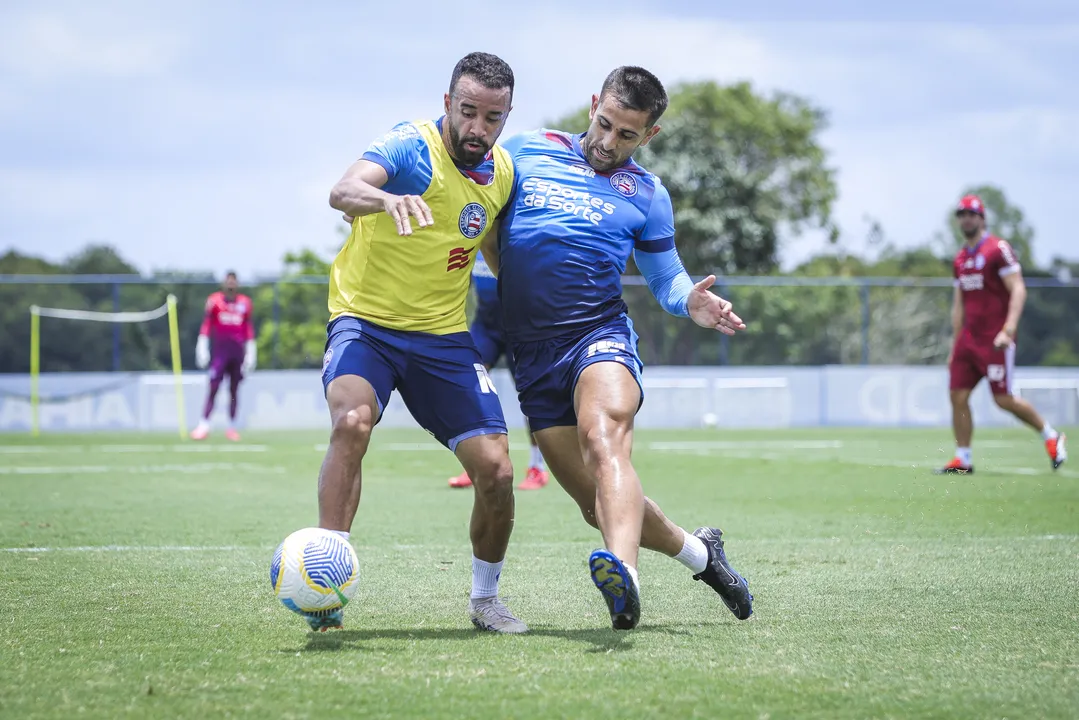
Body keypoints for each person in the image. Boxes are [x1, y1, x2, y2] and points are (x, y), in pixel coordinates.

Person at [485, 66, 754, 630]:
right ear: (592, 105)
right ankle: (702, 555)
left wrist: (690, 302)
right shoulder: (525, 152)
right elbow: (476, 210)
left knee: (603, 438)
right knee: (597, 505)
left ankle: (624, 580)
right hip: (531, 353)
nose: (609, 143)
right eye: (604, 124)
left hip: (598, 336)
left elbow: (667, 277)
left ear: (649, 135)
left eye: (626, 135)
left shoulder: (648, 194)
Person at [318, 52, 527, 634]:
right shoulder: (410, 147)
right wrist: (384, 201)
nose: (477, 129)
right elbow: (342, 190)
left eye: (492, 117)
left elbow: (489, 246)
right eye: (468, 113)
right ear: (447, 105)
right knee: (351, 424)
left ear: (506, 117)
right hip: (366, 323)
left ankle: (486, 598)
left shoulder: (503, 173)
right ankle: (325, 586)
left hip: (442, 339)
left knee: (498, 472)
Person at [937, 194, 1067, 474]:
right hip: (968, 340)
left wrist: (1008, 329)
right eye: (962, 214)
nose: (966, 219)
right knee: (957, 395)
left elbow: (1018, 288)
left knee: (1003, 399)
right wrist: (954, 343)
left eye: (971, 214)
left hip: (995, 340)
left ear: (982, 217)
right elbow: (959, 304)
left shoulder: (998, 249)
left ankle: (1051, 436)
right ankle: (963, 458)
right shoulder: (960, 258)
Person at [446, 253, 550, 491]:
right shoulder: (475, 234)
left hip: (521, 329)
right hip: (485, 326)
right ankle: (479, 463)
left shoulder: (513, 237)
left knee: (530, 400)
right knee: (468, 387)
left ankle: (537, 468)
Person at [191, 272, 255, 441]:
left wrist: (251, 352)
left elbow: (248, 328)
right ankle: (203, 425)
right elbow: (207, 324)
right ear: (224, 283)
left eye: (234, 282)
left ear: (237, 284)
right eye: (229, 281)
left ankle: (232, 427)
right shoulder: (215, 301)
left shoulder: (245, 303)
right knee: (213, 388)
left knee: (234, 390)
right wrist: (202, 345)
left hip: (237, 354)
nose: (231, 285)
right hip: (220, 354)